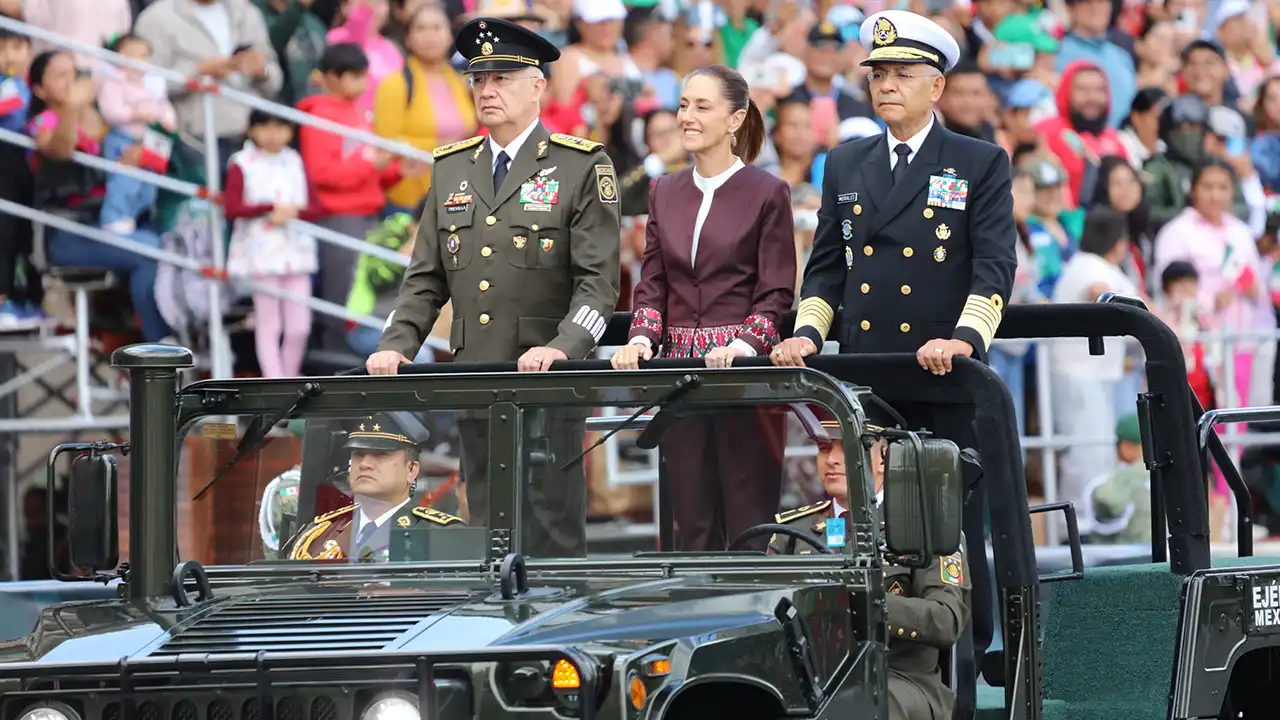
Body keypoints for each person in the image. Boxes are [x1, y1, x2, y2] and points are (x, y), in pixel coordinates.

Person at [770, 9, 1013, 673]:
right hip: (871, 377)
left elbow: (994, 266)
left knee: (949, 526)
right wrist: (808, 333)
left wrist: (965, 339)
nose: (886, 86)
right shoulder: (846, 162)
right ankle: (860, 655)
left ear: (937, 86)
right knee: (866, 518)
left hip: (942, 374)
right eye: (878, 75)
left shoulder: (978, 161)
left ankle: (966, 666)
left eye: (902, 74)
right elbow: (828, 266)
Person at [365, 16, 621, 559]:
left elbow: (598, 286)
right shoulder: (452, 168)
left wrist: (564, 348)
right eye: (478, 79)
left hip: (546, 382)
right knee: (485, 522)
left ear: (537, 86)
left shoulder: (579, 165)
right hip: (476, 375)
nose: (486, 90)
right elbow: (425, 278)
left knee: (549, 529)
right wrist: (396, 344)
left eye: (501, 78)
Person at [610, 64, 797, 551]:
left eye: (701, 106)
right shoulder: (664, 191)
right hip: (679, 378)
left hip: (744, 379)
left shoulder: (767, 191)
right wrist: (640, 338)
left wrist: (743, 344)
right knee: (690, 524)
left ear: (735, 119)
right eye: (683, 105)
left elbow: (776, 291)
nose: (686, 116)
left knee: (749, 520)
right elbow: (653, 280)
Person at [770, 403, 970, 720]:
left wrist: (864, 603)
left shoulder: (925, 529)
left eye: (847, 447)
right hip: (807, 677)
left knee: (858, 707)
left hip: (896, 677)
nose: (832, 459)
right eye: (824, 448)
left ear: (884, 458)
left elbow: (946, 621)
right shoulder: (792, 532)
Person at [287, 413, 465, 561]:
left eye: (381, 454)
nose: (365, 464)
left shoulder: (439, 536)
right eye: (358, 454)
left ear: (411, 470)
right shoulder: (319, 534)